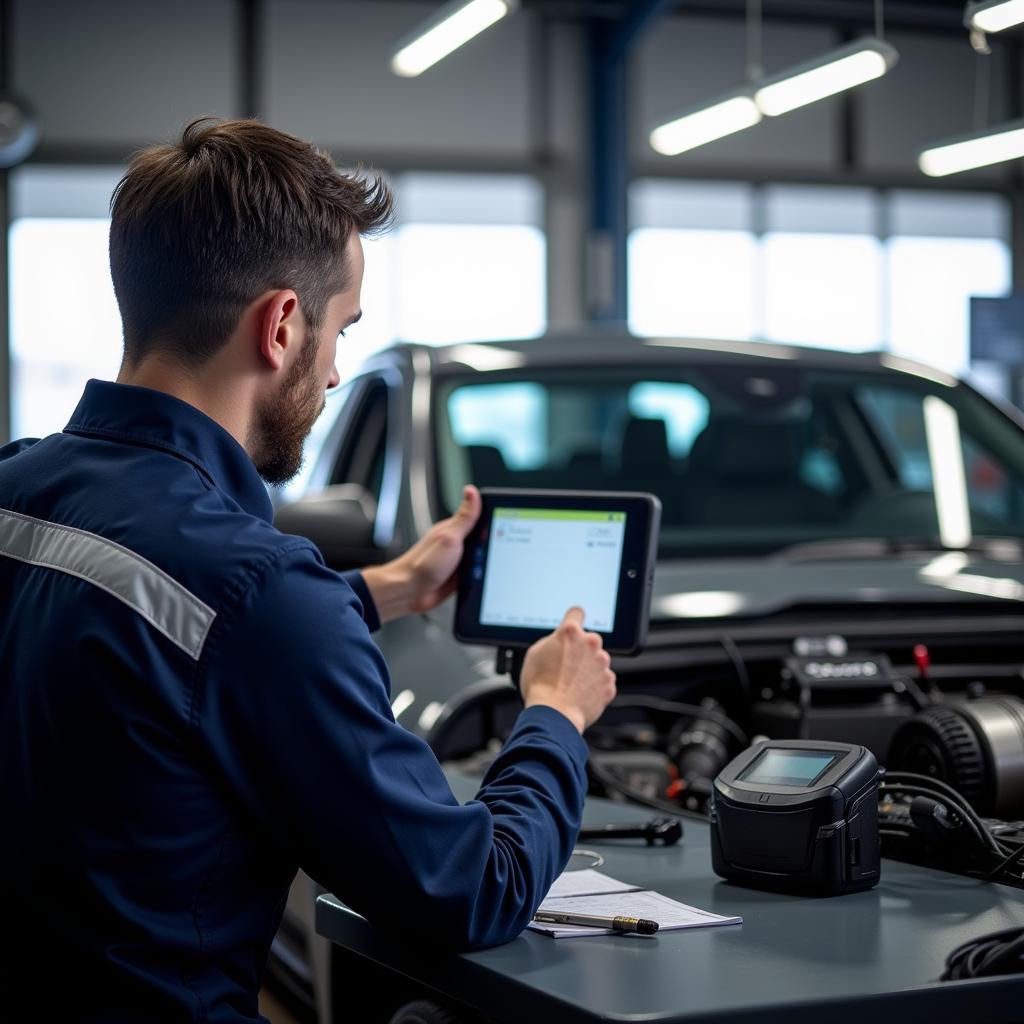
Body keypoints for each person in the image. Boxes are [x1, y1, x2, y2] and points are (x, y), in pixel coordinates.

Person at [0, 118, 616, 1021]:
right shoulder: (261, 593)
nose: (334, 372)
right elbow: (471, 889)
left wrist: (387, 589)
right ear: (283, 324)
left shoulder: (16, 487)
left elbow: (165, 630)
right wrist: (556, 714)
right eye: (343, 329)